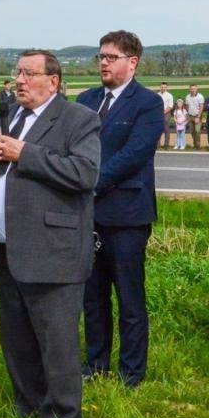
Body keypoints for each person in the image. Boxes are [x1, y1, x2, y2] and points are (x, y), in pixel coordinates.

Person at [0, 50, 99, 418]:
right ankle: (29, 406)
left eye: (29, 73)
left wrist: (25, 153)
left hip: (54, 250)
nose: (19, 80)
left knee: (57, 343)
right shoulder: (6, 117)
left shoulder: (77, 119)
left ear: (53, 81)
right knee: (16, 336)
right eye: (17, 72)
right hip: (8, 248)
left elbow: (85, 173)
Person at [76, 31, 164, 387]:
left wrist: (87, 182)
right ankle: (96, 364)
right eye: (101, 57)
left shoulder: (147, 103)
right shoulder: (85, 100)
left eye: (112, 57)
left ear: (133, 62)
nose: (104, 63)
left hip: (126, 215)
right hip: (87, 216)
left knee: (129, 298)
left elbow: (134, 155)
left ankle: (131, 372)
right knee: (92, 297)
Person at [157, 82, 175, 148]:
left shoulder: (169, 96)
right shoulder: (157, 94)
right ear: (160, 87)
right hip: (158, 114)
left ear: (166, 88)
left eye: (164, 87)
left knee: (166, 129)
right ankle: (158, 145)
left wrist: (163, 112)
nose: (163, 88)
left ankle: (166, 145)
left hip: (166, 113)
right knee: (158, 129)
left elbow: (170, 106)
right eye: (162, 87)